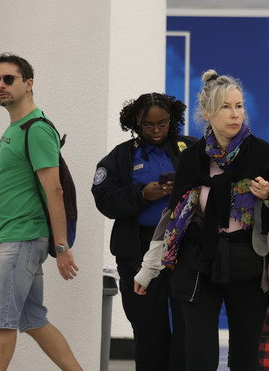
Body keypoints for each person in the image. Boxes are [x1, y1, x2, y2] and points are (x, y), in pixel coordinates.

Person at [133, 70, 269, 371]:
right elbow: (173, 219)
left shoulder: (260, 153)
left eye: (239, 106)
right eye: (226, 107)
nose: (235, 114)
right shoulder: (193, 158)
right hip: (199, 263)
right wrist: (147, 270)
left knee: (245, 360)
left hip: (248, 262)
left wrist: (268, 194)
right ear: (207, 113)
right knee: (199, 359)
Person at [0, 53, 82, 370]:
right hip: (14, 238)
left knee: (3, 324)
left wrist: (61, 247)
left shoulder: (37, 129)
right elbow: (15, 186)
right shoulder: (14, 130)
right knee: (33, 320)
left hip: (22, 240)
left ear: (29, 84)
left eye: (8, 79)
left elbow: (53, 190)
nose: (0, 85)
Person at [91, 93, 196, 371]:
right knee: (148, 326)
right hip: (137, 249)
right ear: (136, 122)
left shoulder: (190, 147)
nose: (157, 130)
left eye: (162, 123)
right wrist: (141, 194)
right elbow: (104, 199)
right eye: (149, 125)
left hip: (185, 247)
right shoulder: (121, 156)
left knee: (189, 325)